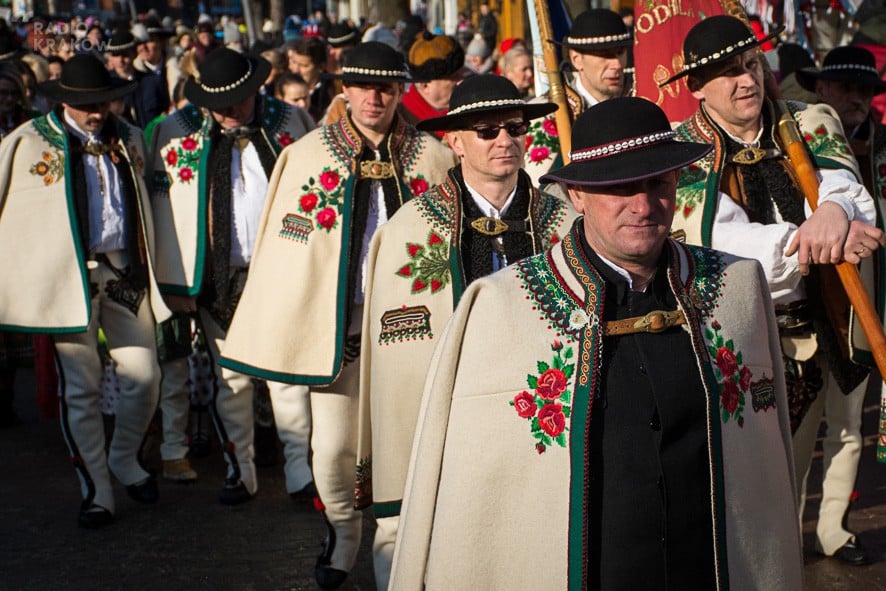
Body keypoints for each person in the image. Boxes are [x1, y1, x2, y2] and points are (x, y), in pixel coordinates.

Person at [390, 96, 804, 590]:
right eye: (620, 188)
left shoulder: (737, 287)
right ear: (577, 195)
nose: (645, 206)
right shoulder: (500, 306)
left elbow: (763, 461)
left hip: (709, 568)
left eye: (658, 183)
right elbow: (474, 489)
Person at [216, 42, 456, 589]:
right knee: (333, 450)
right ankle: (343, 530)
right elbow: (283, 256)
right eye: (364, 86)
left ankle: (391, 553)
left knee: (406, 447)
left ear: (401, 90)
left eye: (387, 87)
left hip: (412, 330)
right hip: (337, 333)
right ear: (343, 89)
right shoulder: (305, 157)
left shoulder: (434, 157)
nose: (375, 97)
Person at [664, 15, 886, 565]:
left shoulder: (809, 117)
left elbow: (846, 183)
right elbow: (720, 239)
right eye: (727, 74)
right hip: (750, 334)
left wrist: (833, 210)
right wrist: (815, 235)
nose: (746, 81)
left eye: (750, 66)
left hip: (834, 317)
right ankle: (762, 553)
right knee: (762, 462)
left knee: (838, 436)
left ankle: (821, 534)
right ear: (696, 86)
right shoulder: (684, 151)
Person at [357, 74, 574, 590]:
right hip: (447, 410)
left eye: (516, 127)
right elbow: (395, 358)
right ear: (454, 141)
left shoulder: (565, 224)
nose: (505, 140)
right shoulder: (408, 231)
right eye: (487, 129)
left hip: (540, 411)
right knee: (410, 533)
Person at [0, 54, 171, 528]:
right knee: (82, 388)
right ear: (65, 101)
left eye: (103, 101)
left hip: (123, 275)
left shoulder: (133, 138)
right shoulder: (28, 143)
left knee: (145, 377)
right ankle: (96, 489)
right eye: (85, 104)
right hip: (65, 282)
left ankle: (123, 458)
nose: (97, 112)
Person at [148, 48, 316, 505]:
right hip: (215, 278)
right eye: (219, 104)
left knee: (288, 376)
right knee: (232, 380)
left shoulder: (293, 124)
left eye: (239, 100)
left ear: (257, 88)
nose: (229, 111)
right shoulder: (173, 133)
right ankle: (238, 471)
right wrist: (174, 281)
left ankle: (301, 469)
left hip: (280, 271)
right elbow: (162, 214)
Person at [794, 44, 886, 565]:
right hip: (809, 306)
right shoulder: (798, 147)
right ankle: (787, 523)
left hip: (867, 309)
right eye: (847, 88)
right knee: (800, 426)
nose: (858, 100)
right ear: (822, 91)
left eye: (866, 91)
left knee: (850, 422)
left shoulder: (884, 149)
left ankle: (833, 528)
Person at [523, 9, 632, 188]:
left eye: (620, 53)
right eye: (605, 55)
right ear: (576, 59)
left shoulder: (644, 100)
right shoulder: (545, 113)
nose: (617, 64)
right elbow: (539, 188)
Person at [400, 32, 466, 140]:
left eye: (462, 74)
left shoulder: (465, 110)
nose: (461, 82)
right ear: (425, 85)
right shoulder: (402, 120)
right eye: (453, 78)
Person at [106, 30, 170, 129]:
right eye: (115, 55)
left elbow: (164, 113)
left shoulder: (153, 81)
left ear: (134, 54)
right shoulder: (107, 86)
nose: (120, 60)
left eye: (125, 55)